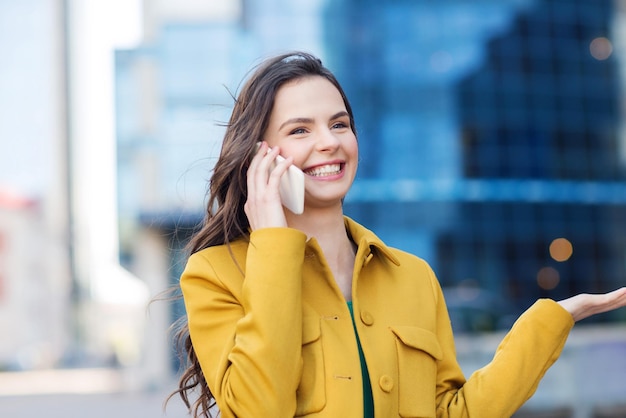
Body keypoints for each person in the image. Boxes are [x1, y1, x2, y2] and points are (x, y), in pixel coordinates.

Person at [170, 51, 626, 418]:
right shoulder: (216, 274)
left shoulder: (413, 277)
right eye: (299, 130)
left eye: (339, 124)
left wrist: (549, 323)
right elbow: (257, 410)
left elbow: (453, 412)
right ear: (261, 156)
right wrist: (272, 244)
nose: (329, 142)